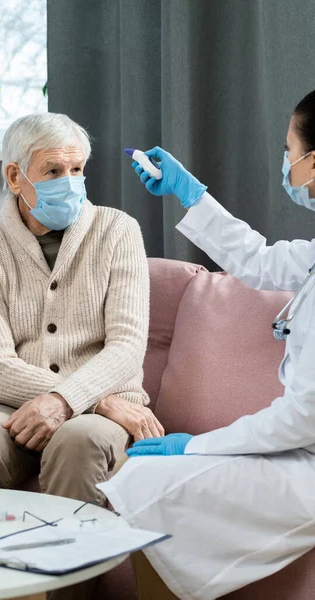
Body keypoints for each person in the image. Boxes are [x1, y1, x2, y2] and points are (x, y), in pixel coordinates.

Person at [98, 90, 315, 600]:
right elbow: (259, 261)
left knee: (147, 484)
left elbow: (301, 418)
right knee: (150, 478)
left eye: (289, 150)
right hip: (301, 453)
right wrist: (191, 193)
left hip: (306, 458)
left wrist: (194, 444)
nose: (284, 163)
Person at [0, 112, 164, 508]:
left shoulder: (118, 231)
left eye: (77, 168)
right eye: (53, 170)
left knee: (78, 442)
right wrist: (90, 400)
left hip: (106, 403)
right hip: (11, 404)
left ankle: (73, 572)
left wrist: (73, 402)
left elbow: (127, 346)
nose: (70, 181)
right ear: (15, 177)